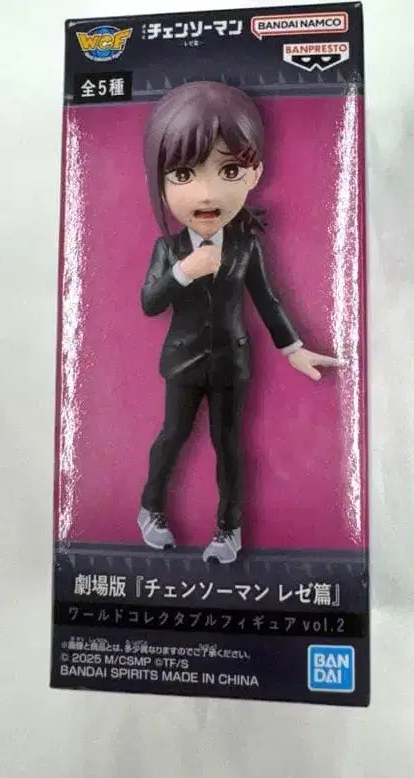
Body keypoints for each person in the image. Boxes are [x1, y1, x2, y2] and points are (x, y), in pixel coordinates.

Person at [138, 80, 340, 564]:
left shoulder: (247, 248)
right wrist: (184, 272)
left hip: (232, 363)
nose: (207, 193)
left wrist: (293, 348)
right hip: (183, 362)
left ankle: (228, 530)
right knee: (172, 436)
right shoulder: (169, 249)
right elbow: (149, 302)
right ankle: (150, 508)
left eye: (229, 170)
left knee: (229, 447)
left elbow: (267, 300)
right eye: (182, 174)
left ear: (253, 174)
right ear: (160, 181)